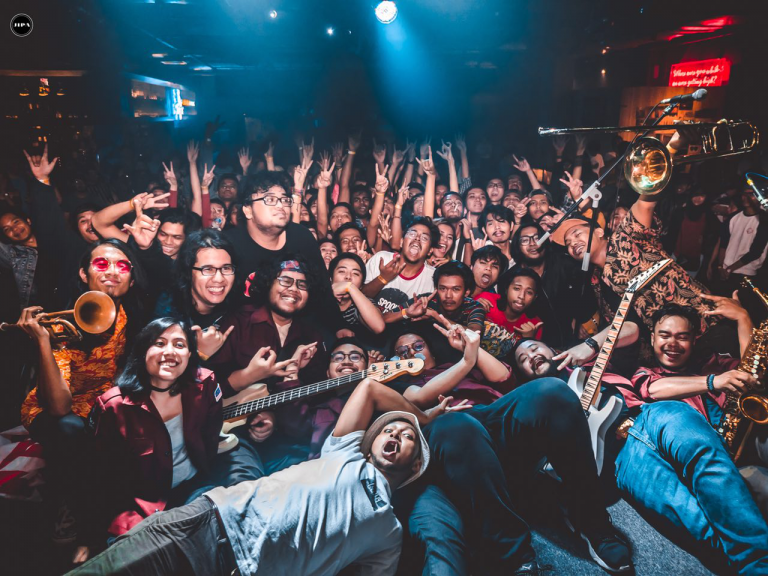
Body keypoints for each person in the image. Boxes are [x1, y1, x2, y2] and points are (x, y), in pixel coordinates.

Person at [69, 371, 461, 576]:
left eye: (407, 436)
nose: (395, 433)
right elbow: (371, 388)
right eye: (389, 429)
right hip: (210, 523)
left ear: (415, 465)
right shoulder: (345, 454)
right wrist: (420, 417)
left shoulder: (389, 533)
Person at [395, 318, 633, 574]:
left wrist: (468, 351)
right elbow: (417, 399)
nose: (411, 353)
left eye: (418, 346)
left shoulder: (461, 363)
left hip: (492, 417)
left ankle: (592, 522)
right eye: (401, 351)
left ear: (431, 350)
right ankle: (514, 556)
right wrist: (465, 363)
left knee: (553, 390)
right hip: (445, 431)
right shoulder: (399, 382)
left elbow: (502, 376)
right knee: (456, 425)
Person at [614, 304, 768, 574]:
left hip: (734, 456)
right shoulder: (647, 372)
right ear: (653, 338)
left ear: (694, 340)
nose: (672, 344)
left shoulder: (713, 365)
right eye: (665, 335)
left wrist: (744, 318)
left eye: (682, 337)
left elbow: (752, 374)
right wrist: (713, 382)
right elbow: (654, 390)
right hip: (684, 463)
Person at [18, 239, 144, 555]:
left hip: (103, 401)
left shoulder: (132, 314)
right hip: (55, 407)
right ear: (83, 274)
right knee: (71, 430)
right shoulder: (62, 324)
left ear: (131, 279)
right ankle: (75, 514)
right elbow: (59, 408)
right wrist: (43, 342)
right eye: (101, 264)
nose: (112, 271)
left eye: (122, 265)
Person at [88, 318, 250, 538]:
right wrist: (90, 535)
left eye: (180, 345)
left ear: (190, 355)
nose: (170, 352)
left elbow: (210, 438)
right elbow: (100, 475)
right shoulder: (113, 406)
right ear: (142, 351)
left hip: (194, 490)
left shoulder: (206, 384)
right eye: (160, 343)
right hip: (139, 508)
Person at [224, 171, 346, 335]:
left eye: (285, 200)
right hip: (245, 334)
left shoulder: (301, 237)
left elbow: (322, 290)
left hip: (300, 330)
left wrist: (339, 327)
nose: (280, 205)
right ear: (248, 211)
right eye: (270, 199)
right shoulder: (229, 245)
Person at [209, 257, 328, 396]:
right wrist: (249, 375)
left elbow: (317, 398)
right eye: (285, 281)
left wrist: (293, 370)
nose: (294, 289)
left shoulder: (312, 338)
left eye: (302, 285)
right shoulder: (237, 322)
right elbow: (209, 388)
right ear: (269, 284)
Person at [511, 222, 593, 348]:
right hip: (540, 346)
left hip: (578, 341)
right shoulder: (512, 277)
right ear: (517, 246)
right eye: (525, 240)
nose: (533, 243)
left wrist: (581, 318)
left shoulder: (564, 263)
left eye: (537, 238)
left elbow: (587, 290)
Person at [363, 217, 439, 320]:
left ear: (430, 251)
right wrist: (383, 279)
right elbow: (360, 297)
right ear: (402, 242)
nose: (417, 239)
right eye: (412, 234)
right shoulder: (382, 259)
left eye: (424, 238)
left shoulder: (433, 277)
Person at [478, 266, 544, 340]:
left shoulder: (534, 325)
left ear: (534, 297)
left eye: (529, 292)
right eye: (517, 288)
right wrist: (473, 307)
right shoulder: (486, 300)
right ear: (507, 289)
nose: (521, 296)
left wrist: (529, 339)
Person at [419, 260, 487, 333]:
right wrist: (410, 314)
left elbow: (474, 334)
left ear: (466, 292)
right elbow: (408, 311)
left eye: (456, 289)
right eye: (443, 288)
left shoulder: (474, 307)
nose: (448, 296)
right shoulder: (427, 301)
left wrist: (436, 316)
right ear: (436, 289)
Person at [328, 253, 386, 336]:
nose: (348, 277)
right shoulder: (319, 297)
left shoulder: (361, 304)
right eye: (342, 271)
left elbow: (379, 327)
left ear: (361, 285)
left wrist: (350, 287)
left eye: (355, 273)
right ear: (330, 278)